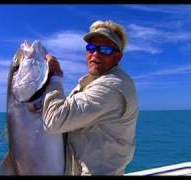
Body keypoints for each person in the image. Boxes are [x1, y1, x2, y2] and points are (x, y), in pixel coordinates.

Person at [38, 20, 139, 175]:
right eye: (91, 48)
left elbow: (54, 120)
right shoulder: (96, 82)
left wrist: (55, 78)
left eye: (105, 49)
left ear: (117, 56)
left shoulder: (110, 87)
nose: (95, 54)